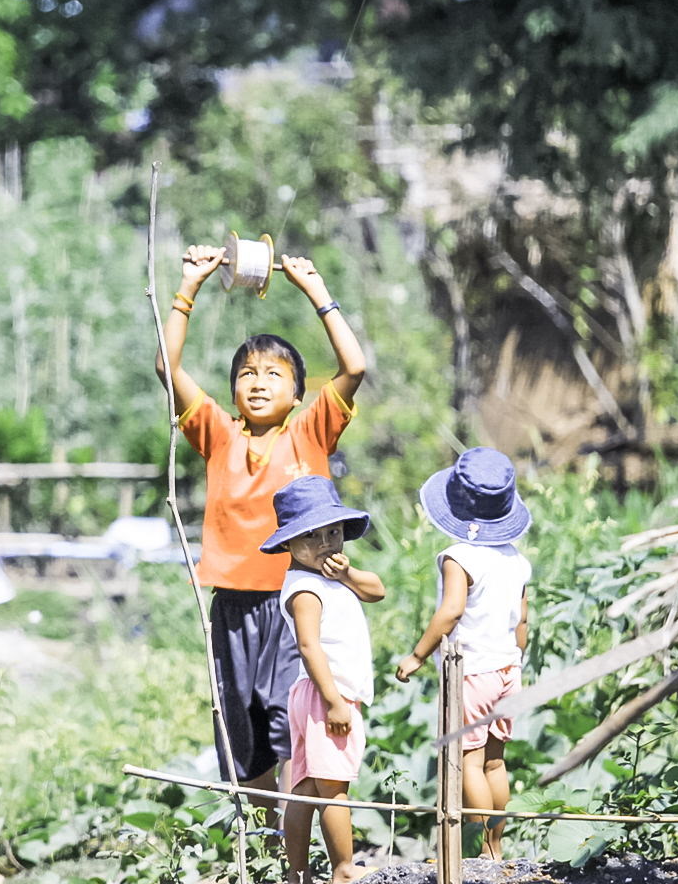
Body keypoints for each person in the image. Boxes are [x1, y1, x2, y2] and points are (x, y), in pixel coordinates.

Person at [155, 244, 366, 812]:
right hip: (232, 605)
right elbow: (166, 369)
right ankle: (268, 842)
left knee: (290, 715)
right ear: (231, 394)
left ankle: (302, 838)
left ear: (298, 394)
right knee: (242, 727)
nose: (258, 381)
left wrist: (315, 290)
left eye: (275, 374)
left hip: (297, 598)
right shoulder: (219, 436)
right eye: (247, 373)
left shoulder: (310, 434)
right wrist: (188, 288)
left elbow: (355, 367)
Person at [395, 447, 532, 860]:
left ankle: (473, 850)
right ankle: (495, 847)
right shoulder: (517, 560)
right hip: (508, 667)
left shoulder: (458, 557)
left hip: (472, 673)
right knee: (495, 764)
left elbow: (451, 611)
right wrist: (514, 657)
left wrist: (418, 655)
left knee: (468, 763)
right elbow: (522, 621)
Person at [262, 475, 384, 884]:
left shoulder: (328, 577)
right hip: (323, 693)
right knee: (334, 787)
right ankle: (344, 869)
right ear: (288, 545)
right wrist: (334, 700)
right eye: (311, 536)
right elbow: (309, 647)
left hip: (315, 693)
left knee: (307, 788)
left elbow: (377, 590)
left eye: (333, 532)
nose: (326, 544)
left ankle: (296, 873)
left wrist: (347, 575)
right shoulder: (305, 590)